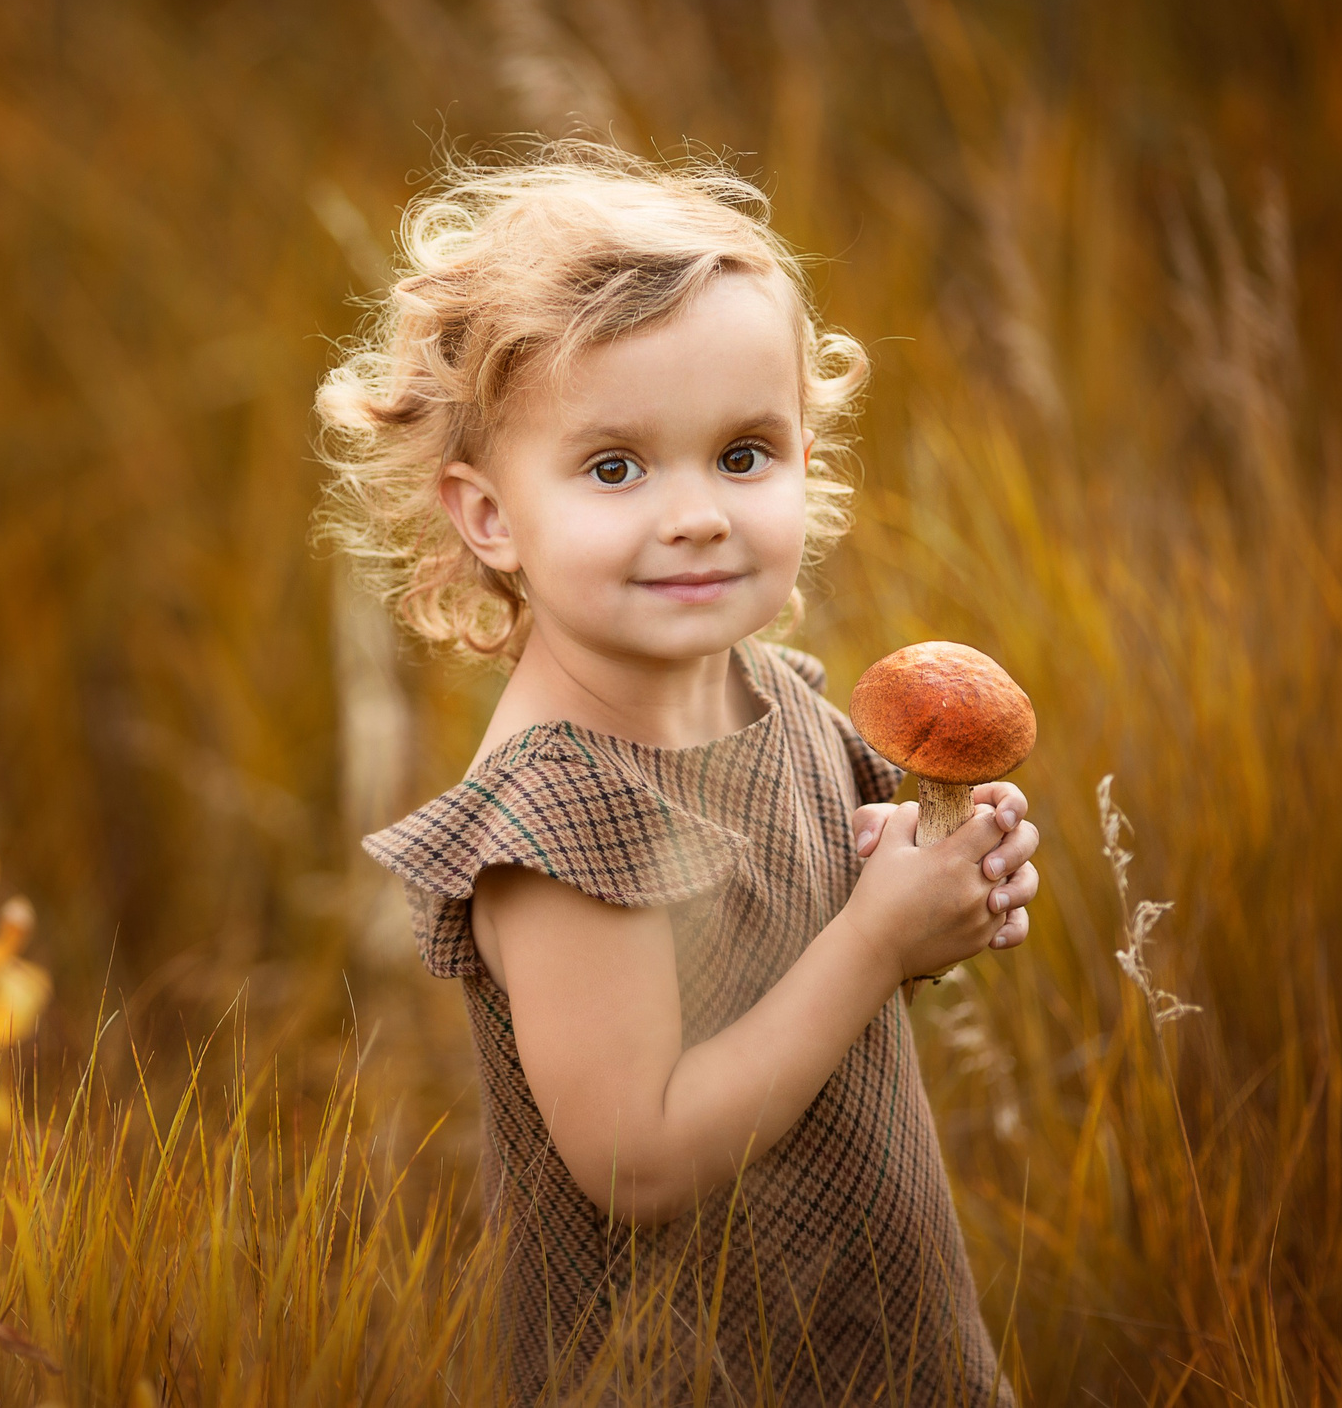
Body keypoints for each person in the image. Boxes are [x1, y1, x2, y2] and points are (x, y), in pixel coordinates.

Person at [315, 143, 1037, 1403]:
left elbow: (797, 978)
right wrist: (874, 942)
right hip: (684, 1367)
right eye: (614, 468)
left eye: (744, 453)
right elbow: (637, 1161)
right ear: (489, 517)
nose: (697, 512)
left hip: (872, 1328)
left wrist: (927, 900)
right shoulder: (561, 814)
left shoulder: (778, 701)